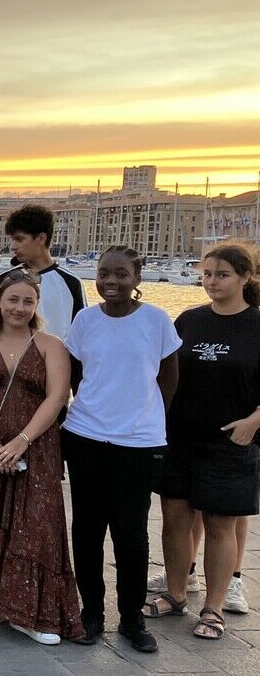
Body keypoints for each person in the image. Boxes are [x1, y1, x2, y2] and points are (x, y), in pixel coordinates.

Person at [63, 246, 180, 654]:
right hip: (86, 438)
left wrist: (145, 415)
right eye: (103, 273)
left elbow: (168, 377)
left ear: (137, 279)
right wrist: (100, 409)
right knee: (88, 529)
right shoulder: (85, 320)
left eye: (121, 274)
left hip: (139, 443)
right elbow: (76, 375)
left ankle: (131, 618)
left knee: (131, 534)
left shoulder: (156, 320)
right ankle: (91, 614)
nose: (110, 281)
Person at [145, 244, 260, 639]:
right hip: (179, 436)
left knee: (219, 524)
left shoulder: (257, 324)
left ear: (245, 277)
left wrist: (254, 421)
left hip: (231, 442)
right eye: (207, 273)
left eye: (222, 274)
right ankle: (176, 594)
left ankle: (213, 608)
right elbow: (163, 372)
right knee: (175, 518)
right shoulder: (188, 321)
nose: (212, 281)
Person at [0, 269, 84, 645]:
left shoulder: (50, 344)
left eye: (27, 301)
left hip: (39, 447)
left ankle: (35, 611)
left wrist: (22, 440)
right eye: (12, 299)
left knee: (38, 525)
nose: (19, 307)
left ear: (36, 305)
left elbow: (57, 396)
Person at [0, 204, 86, 340]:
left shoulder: (71, 283)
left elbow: (82, 335)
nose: (13, 246)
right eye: (12, 239)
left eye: (19, 239)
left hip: (58, 360)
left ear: (41, 238)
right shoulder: (5, 280)